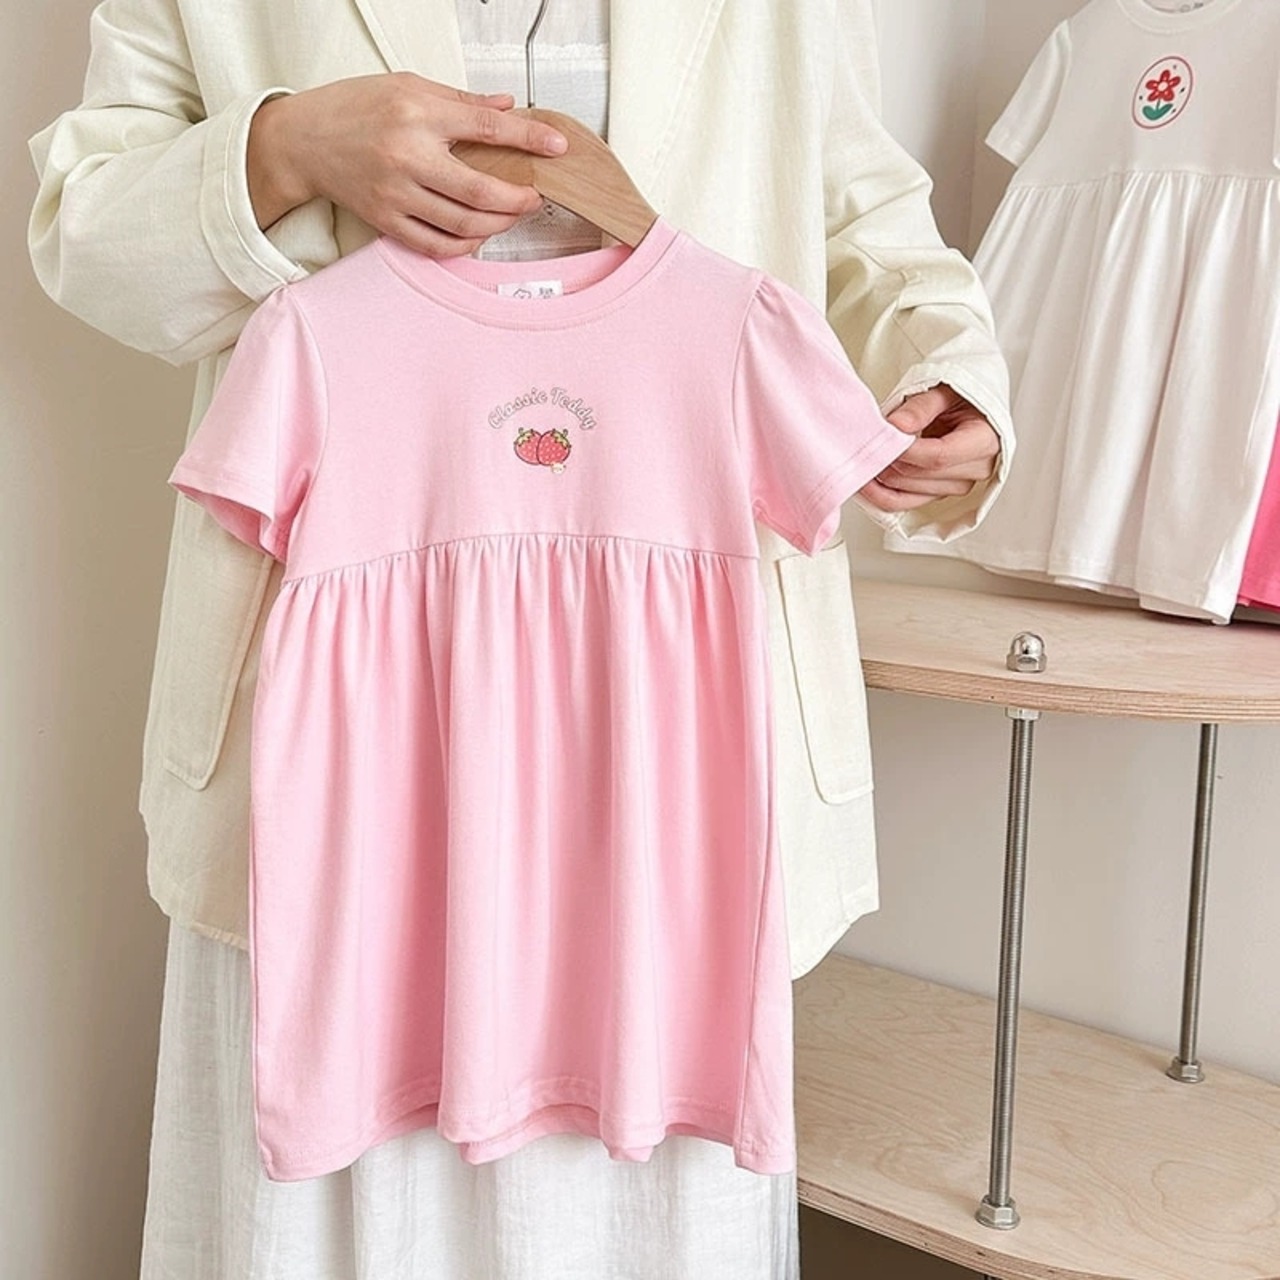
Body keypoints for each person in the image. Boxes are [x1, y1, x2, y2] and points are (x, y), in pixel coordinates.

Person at [27, 2, 1012, 1276]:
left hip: (660, 783)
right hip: (354, 780)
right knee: (332, 1185)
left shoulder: (732, 300)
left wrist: (943, 367)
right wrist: (286, 148)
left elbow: (855, 213)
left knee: (649, 1175)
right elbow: (86, 227)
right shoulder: (312, 339)